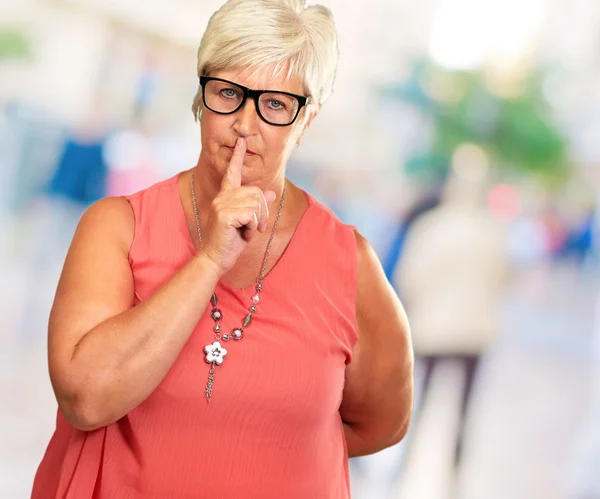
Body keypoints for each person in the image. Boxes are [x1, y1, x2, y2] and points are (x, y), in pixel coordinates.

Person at [31, 1, 414, 497]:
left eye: (275, 104)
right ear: (201, 97)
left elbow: (382, 423)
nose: (245, 125)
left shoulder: (350, 261)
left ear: (307, 120)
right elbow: (85, 398)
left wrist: (255, 449)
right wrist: (210, 258)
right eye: (229, 93)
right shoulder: (116, 226)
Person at [394, 171, 507, 470]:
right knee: (464, 407)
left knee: (420, 400)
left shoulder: (431, 227)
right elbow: (501, 278)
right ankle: (455, 466)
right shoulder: (492, 230)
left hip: (432, 327)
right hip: (476, 330)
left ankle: (406, 461)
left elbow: (410, 277)